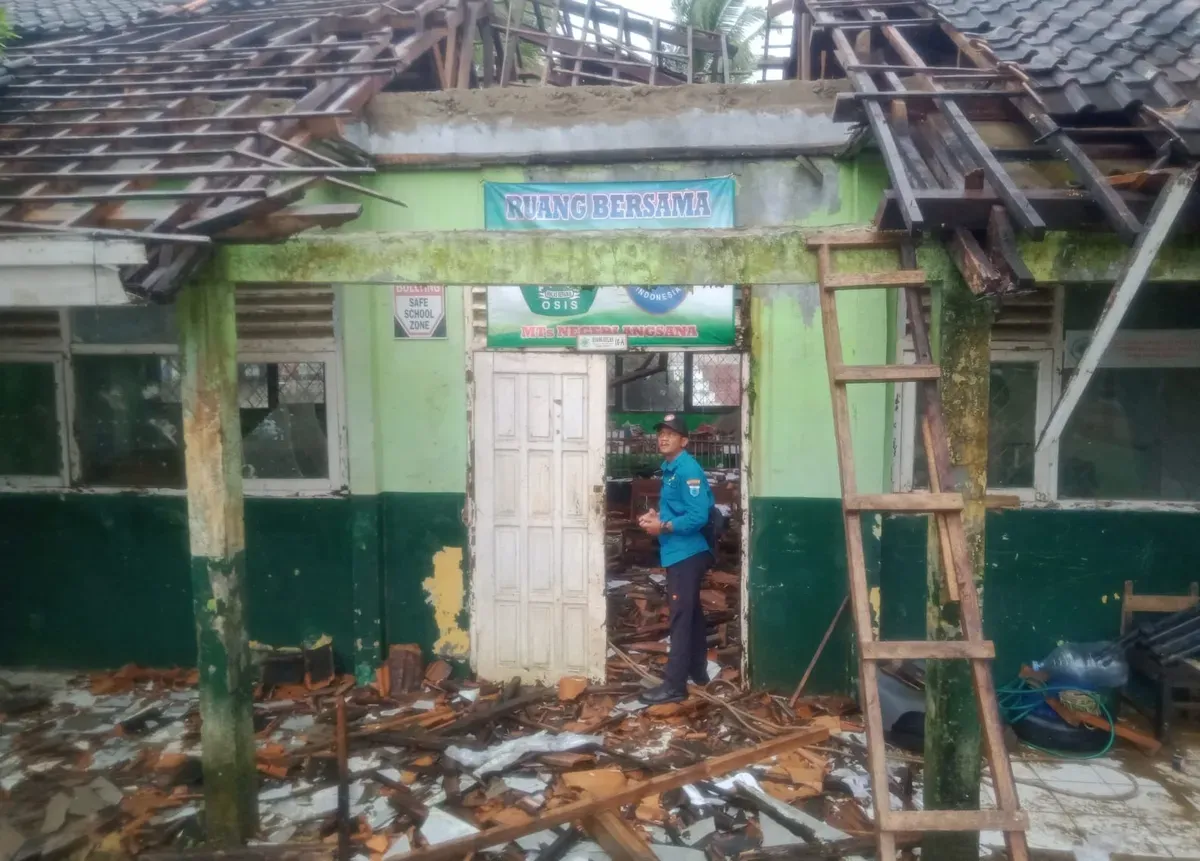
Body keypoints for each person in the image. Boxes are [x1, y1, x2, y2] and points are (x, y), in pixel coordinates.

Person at [637, 413, 715, 705]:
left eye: (670, 433)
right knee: (691, 614)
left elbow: (698, 516)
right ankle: (698, 672)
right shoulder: (670, 469)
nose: (663, 437)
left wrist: (664, 527)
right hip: (676, 551)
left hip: (688, 553)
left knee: (680, 619)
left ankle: (674, 686)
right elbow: (679, 510)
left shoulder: (687, 470)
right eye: (660, 433)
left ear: (684, 440)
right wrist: (657, 518)